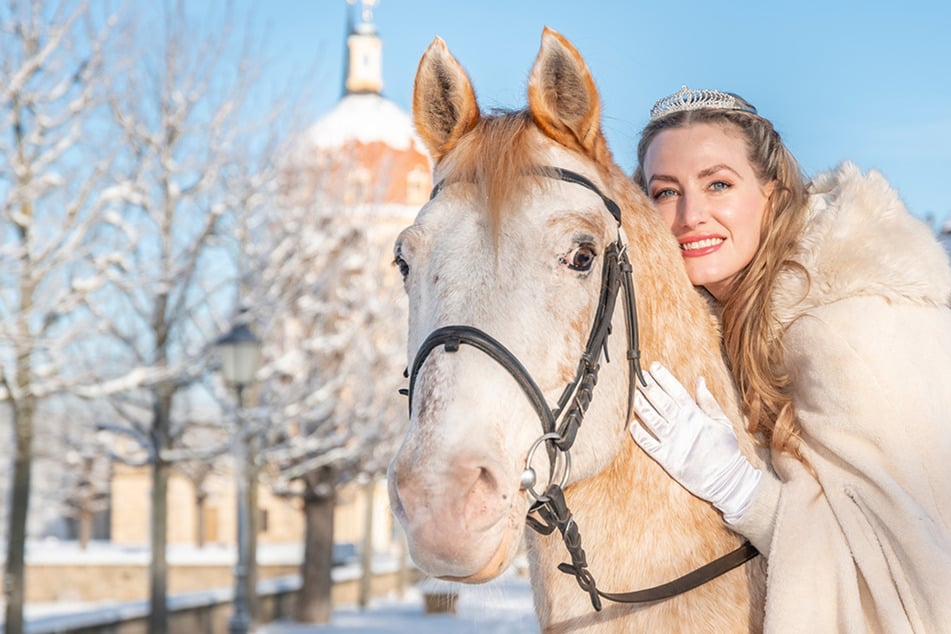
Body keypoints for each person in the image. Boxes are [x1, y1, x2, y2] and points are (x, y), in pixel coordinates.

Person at [628, 85, 951, 632]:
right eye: (665, 192)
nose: (690, 216)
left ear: (772, 197)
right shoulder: (724, 321)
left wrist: (738, 488)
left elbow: (904, 580)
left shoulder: (846, 328)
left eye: (719, 184)